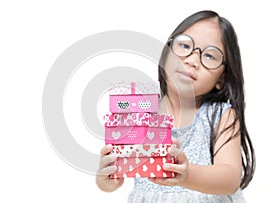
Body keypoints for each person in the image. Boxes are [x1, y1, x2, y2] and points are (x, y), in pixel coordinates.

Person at [96, 10, 255, 202]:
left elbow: (229, 179)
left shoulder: (220, 115)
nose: (193, 60)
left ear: (221, 78)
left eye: (210, 56)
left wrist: (187, 175)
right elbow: (121, 161)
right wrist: (106, 178)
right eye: (185, 45)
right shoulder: (142, 108)